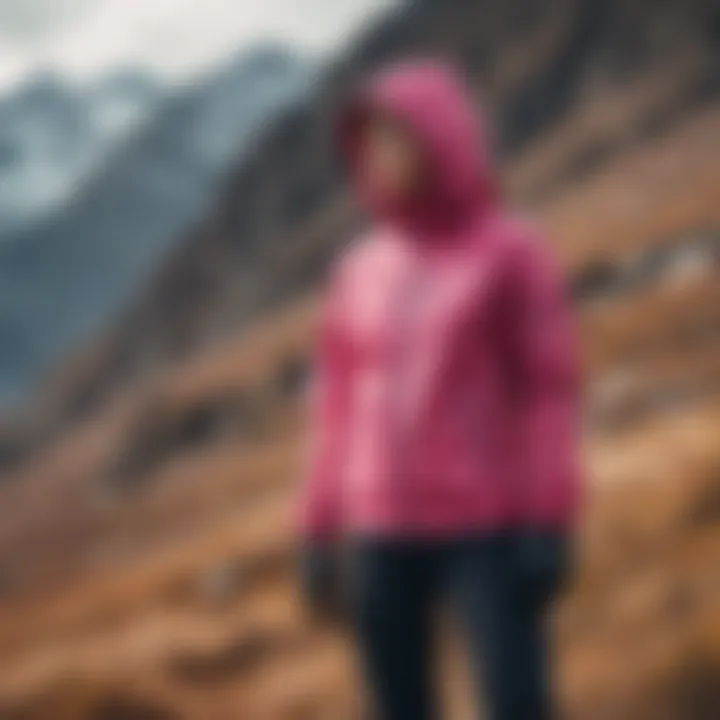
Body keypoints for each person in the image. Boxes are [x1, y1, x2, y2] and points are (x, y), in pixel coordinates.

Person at [295, 59, 581, 720]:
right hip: (378, 533)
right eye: (369, 142)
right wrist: (316, 527)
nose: (379, 155)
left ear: (440, 138)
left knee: (517, 703)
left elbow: (547, 392)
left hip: (485, 527)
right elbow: (335, 410)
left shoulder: (512, 253)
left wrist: (549, 517)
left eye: (395, 137)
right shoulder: (358, 268)